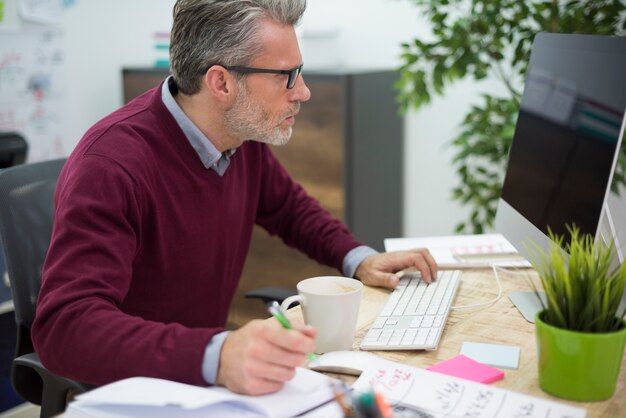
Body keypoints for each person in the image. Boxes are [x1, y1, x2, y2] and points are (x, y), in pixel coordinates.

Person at [32, 0, 437, 396]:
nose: (304, 92)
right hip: (140, 391)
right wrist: (219, 353)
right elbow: (64, 327)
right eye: (287, 76)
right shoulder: (110, 166)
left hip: (205, 378)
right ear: (221, 83)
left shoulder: (238, 136)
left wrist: (359, 258)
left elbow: (290, 209)